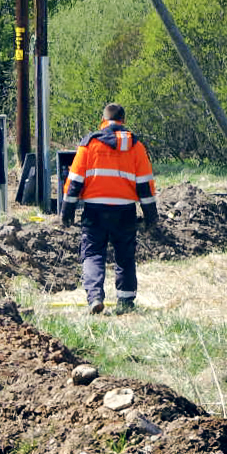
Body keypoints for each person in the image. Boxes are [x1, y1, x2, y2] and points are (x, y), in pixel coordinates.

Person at [59, 103, 158, 316]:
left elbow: (75, 180)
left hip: (95, 209)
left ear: (103, 119)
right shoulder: (136, 146)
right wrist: (151, 216)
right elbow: (145, 185)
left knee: (93, 253)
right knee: (125, 255)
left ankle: (95, 297)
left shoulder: (90, 144)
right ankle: (126, 302)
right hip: (125, 210)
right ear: (123, 119)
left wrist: (67, 210)